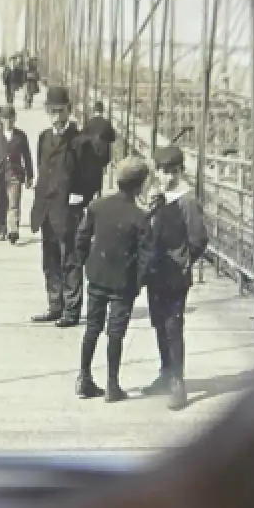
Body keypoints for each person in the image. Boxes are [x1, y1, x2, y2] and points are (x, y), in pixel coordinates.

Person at [75, 156, 152, 402]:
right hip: (123, 283)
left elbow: (81, 239)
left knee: (92, 328)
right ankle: (112, 385)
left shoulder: (97, 206)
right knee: (115, 333)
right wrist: (138, 282)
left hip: (97, 276)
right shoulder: (140, 217)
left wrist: (86, 263)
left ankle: (84, 379)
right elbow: (146, 256)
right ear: (140, 185)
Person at [142, 143, 208, 411]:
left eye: (173, 171)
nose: (167, 177)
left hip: (175, 273)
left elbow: (198, 239)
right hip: (155, 270)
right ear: (155, 171)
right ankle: (165, 371)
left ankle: (177, 381)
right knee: (158, 322)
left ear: (180, 172)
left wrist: (184, 261)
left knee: (173, 326)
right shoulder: (155, 196)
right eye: (162, 171)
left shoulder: (187, 200)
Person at [30, 85, 93, 328]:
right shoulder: (44, 137)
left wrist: (81, 195)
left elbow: (91, 174)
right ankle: (54, 305)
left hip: (68, 209)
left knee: (71, 259)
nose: (55, 116)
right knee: (50, 260)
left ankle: (71, 310)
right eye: (51, 112)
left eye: (60, 111)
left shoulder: (80, 141)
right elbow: (42, 170)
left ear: (69, 110)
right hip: (46, 209)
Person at [0, 104, 34, 244]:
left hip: (15, 175)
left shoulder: (20, 136)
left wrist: (30, 175)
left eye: (11, 119)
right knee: (0, 203)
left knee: (14, 203)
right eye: (6, 119)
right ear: (1, 120)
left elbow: (27, 156)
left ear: (15, 119)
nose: (9, 122)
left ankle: (13, 230)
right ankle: (2, 228)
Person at [81, 100, 117, 198]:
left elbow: (82, 138)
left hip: (91, 155)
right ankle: (99, 193)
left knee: (91, 174)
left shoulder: (89, 123)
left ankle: (90, 193)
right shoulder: (107, 124)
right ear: (102, 111)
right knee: (100, 173)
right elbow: (113, 139)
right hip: (103, 155)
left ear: (94, 111)